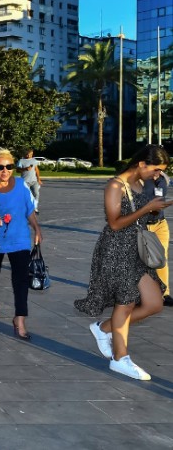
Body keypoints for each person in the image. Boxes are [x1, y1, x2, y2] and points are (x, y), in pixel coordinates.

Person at [74, 145, 170, 381]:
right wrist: (147, 207)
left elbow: (139, 217)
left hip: (136, 249)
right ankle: (121, 359)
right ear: (142, 164)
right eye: (156, 170)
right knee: (125, 303)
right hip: (116, 249)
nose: (157, 175)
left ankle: (103, 328)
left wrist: (154, 212)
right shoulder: (115, 186)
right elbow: (115, 223)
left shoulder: (141, 185)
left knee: (155, 302)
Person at [0, 149, 42, 338]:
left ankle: (19, 319)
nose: (5, 171)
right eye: (1, 167)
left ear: (13, 167)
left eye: (9, 167)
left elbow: (29, 210)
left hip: (18, 237)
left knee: (20, 278)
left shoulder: (21, 185)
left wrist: (37, 229)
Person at [143, 169, 173, 307]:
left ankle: (164, 293)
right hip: (142, 225)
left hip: (160, 224)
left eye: (162, 167)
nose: (158, 171)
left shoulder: (163, 179)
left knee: (161, 259)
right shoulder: (140, 180)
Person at [16, 149, 42, 213]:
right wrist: (25, 169)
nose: (29, 155)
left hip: (34, 181)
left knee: (36, 194)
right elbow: (17, 170)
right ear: (25, 154)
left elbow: (36, 170)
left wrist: (39, 179)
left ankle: (35, 207)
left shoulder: (34, 160)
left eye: (30, 154)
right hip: (25, 181)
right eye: (27, 154)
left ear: (32, 153)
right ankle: (25, 208)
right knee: (26, 195)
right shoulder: (21, 161)